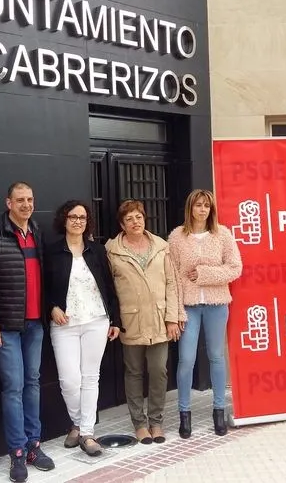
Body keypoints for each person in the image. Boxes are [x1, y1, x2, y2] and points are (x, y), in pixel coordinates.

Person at [0, 182, 54, 483]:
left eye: (30, 199)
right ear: (8, 203)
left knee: (32, 383)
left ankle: (34, 445)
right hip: (6, 326)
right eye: (19, 200)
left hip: (35, 324)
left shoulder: (36, 230)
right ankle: (17, 452)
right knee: (13, 387)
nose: (26, 204)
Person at [44, 201, 121, 457]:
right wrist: (51, 307)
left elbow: (109, 287)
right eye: (73, 216)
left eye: (83, 217)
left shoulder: (96, 251)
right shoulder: (52, 251)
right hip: (64, 324)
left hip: (96, 320)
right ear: (63, 219)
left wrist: (115, 320)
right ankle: (77, 422)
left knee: (90, 378)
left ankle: (86, 432)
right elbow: (41, 287)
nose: (78, 221)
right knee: (69, 380)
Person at [168, 189, 242, 438]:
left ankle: (218, 411)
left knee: (216, 357)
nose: (202, 210)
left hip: (216, 304)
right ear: (190, 207)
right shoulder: (177, 237)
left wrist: (203, 274)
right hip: (188, 306)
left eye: (206, 206)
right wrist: (176, 311)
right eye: (198, 205)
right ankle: (184, 414)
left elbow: (235, 268)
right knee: (186, 359)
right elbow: (173, 277)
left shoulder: (222, 235)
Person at [106, 200, 180, 445]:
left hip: (160, 320)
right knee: (134, 372)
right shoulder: (112, 251)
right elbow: (109, 290)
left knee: (159, 371)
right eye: (129, 219)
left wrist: (172, 317)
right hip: (131, 320)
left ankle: (156, 421)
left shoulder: (161, 246)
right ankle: (139, 423)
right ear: (121, 224)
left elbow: (172, 283)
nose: (135, 222)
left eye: (138, 217)